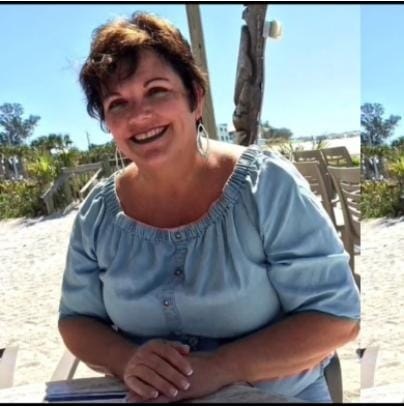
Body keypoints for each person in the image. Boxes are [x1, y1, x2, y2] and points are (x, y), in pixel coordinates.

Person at [58, 12, 360, 403]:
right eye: (118, 103)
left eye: (157, 90)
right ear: (108, 124)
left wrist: (221, 368)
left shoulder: (265, 186)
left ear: (195, 98)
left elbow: (338, 318)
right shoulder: (98, 214)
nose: (139, 115)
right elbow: (76, 320)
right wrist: (126, 359)